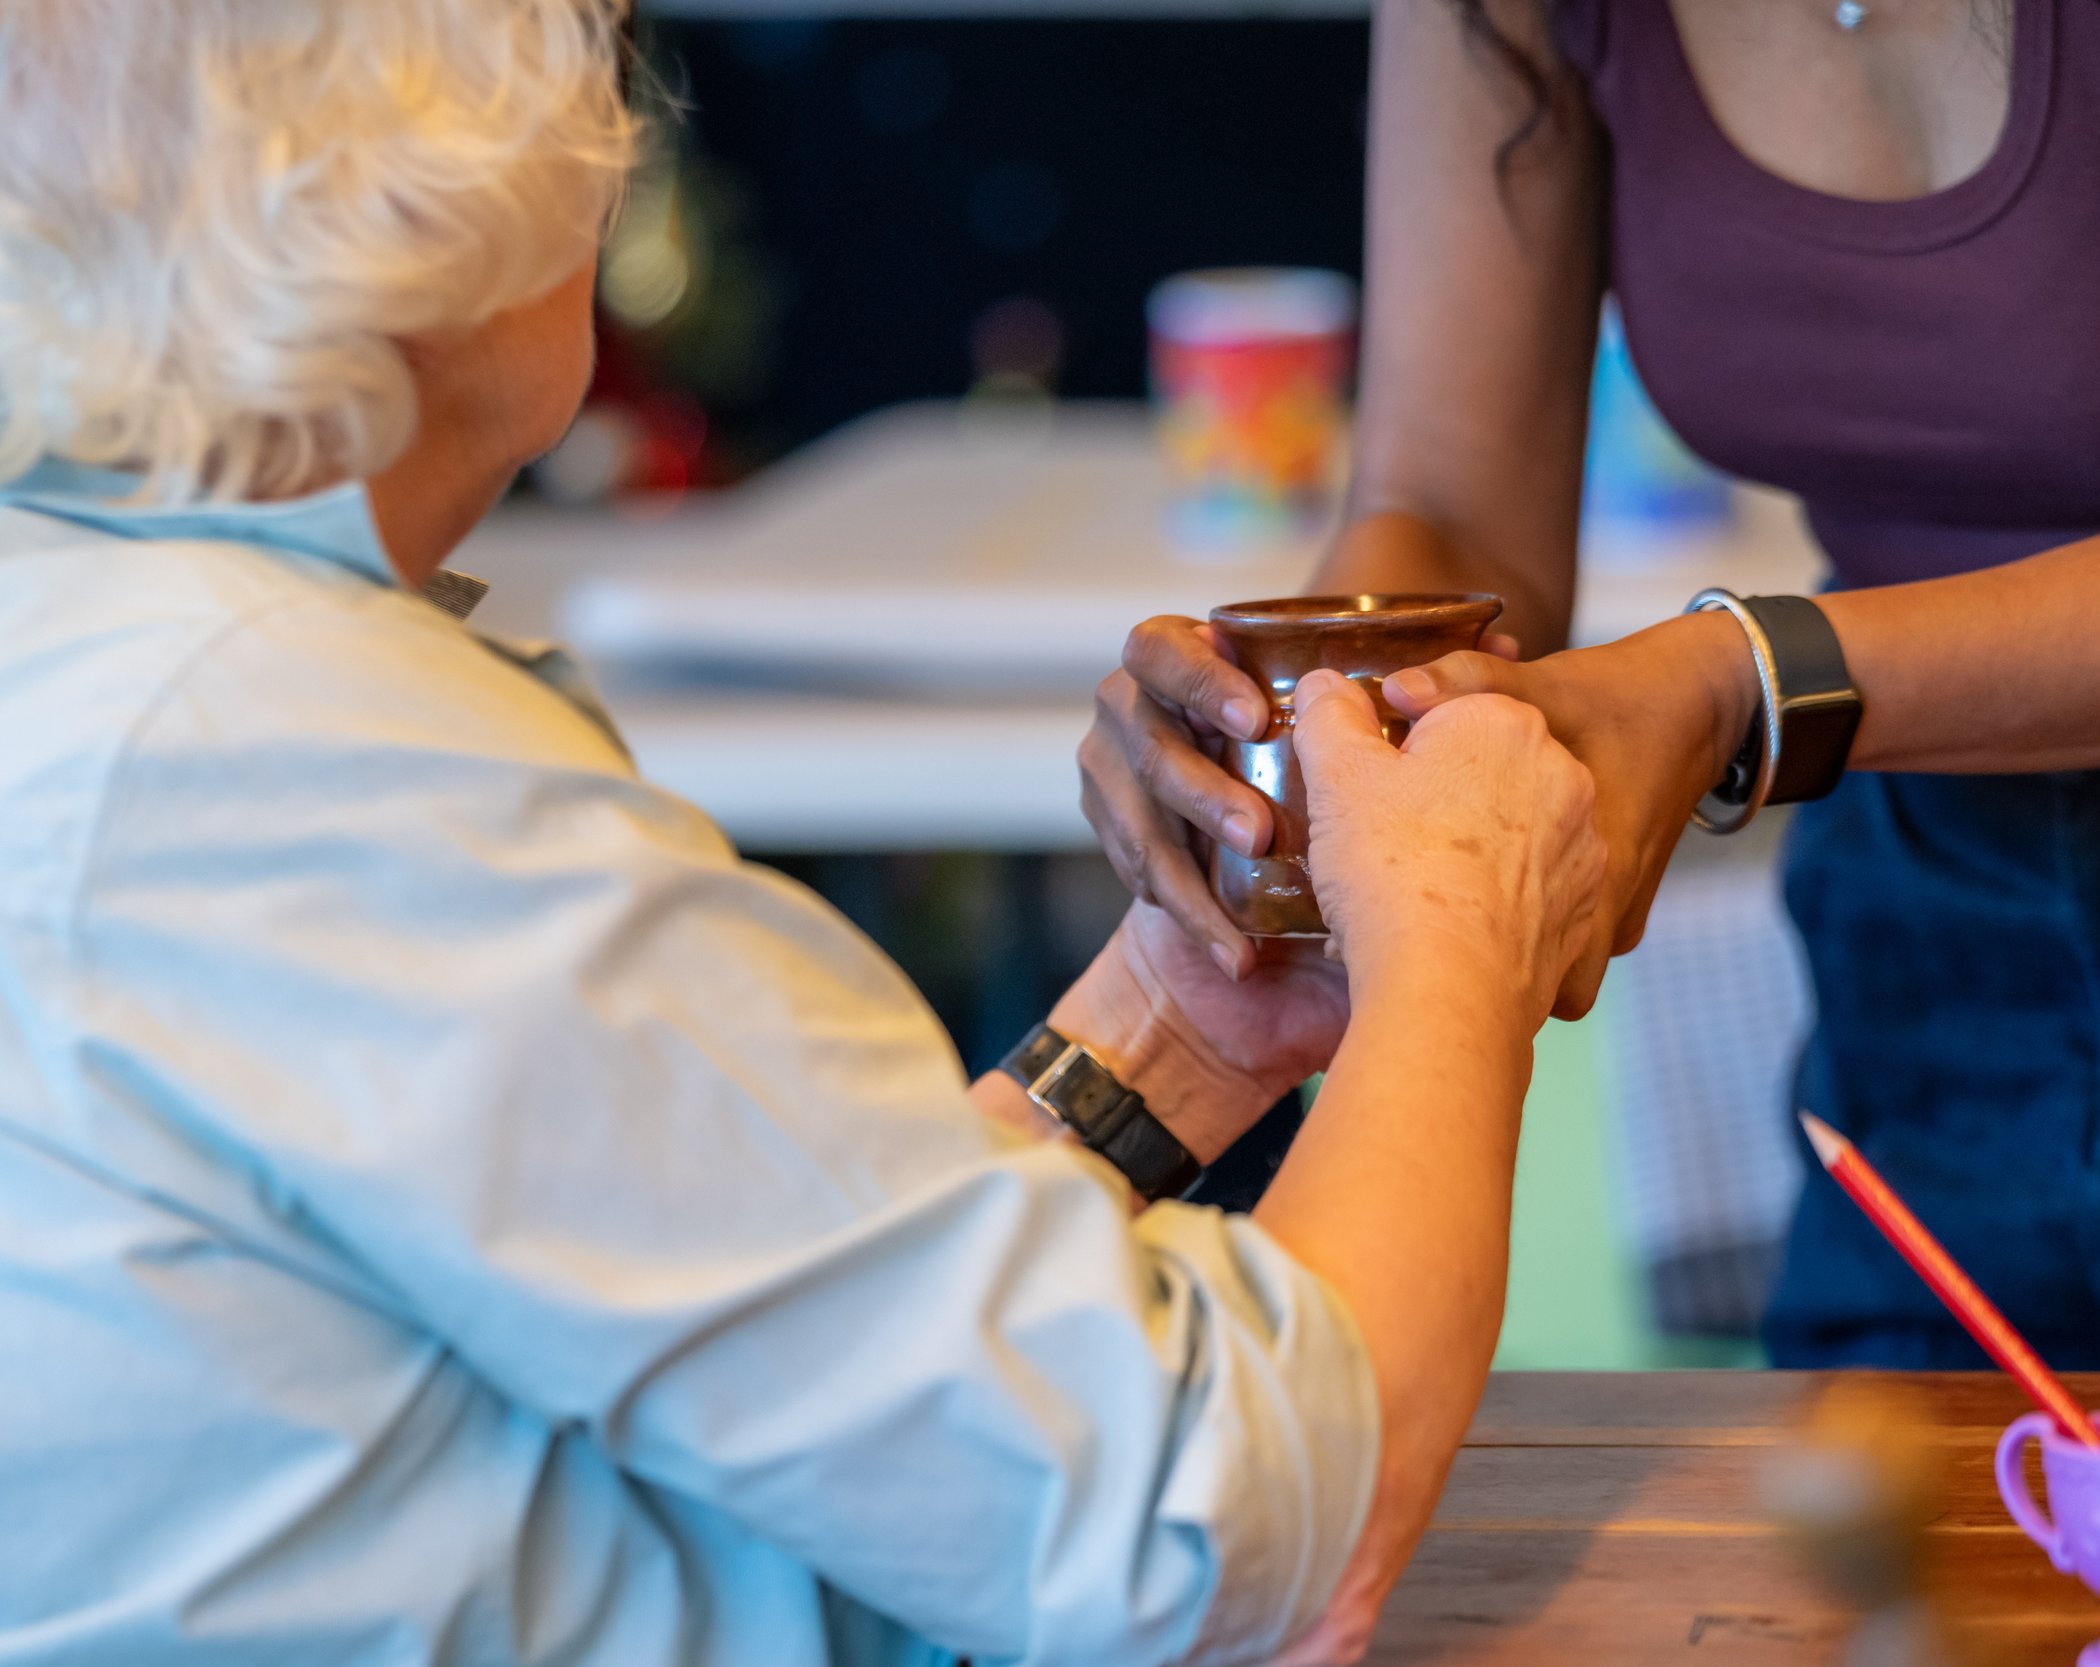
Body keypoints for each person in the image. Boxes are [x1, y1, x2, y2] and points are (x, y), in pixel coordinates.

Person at [0, 3, 1607, 1663]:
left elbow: (759, 1346)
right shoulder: (313, 763)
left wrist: (1169, 1035)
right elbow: (1229, 1531)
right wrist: (1453, 937)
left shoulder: (120, 664)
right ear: (428, 203)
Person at [1084, 0, 2100, 1370]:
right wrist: (1280, 718)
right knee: (1898, 1591)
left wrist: (1741, 682)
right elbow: (1450, 507)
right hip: (1926, 934)